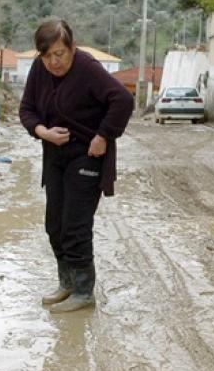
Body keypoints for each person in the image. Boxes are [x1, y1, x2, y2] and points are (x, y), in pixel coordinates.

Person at [19, 18, 132, 312]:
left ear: (71, 47)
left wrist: (104, 135)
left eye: (59, 54)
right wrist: (42, 132)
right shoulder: (39, 70)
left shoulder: (86, 67)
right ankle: (67, 283)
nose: (53, 62)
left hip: (87, 155)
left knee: (75, 226)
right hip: (54, 153)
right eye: (47, 56)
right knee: (54, 224)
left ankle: (84, 291)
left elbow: (122, 99)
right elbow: (27, 109)